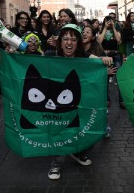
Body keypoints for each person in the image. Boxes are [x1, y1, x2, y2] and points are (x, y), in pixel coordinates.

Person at [48, 23, 112, 180]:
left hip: (81, 103)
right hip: (59, 105)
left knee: (91, 127)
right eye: (65, 39)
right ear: (60, 42)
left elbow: (98, 61)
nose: (69, 43)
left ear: (78, 43)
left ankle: (78, 152)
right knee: (61, 132)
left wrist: (105, 59)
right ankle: (56, 164)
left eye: (73, 39)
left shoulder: (85, 57)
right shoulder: (52, 57)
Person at [97, 15, 124, 108]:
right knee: (105, 77)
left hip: (116, 55)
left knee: (120, 77)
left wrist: (113, 27)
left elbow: (119, 41)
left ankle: (122, 100)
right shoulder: (101, 31)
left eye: (111, 21)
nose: (109, 22)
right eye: (107, 21)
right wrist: (105, 28)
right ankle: (107, 99)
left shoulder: (117, 30)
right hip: (105, 55)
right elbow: (99, 41)